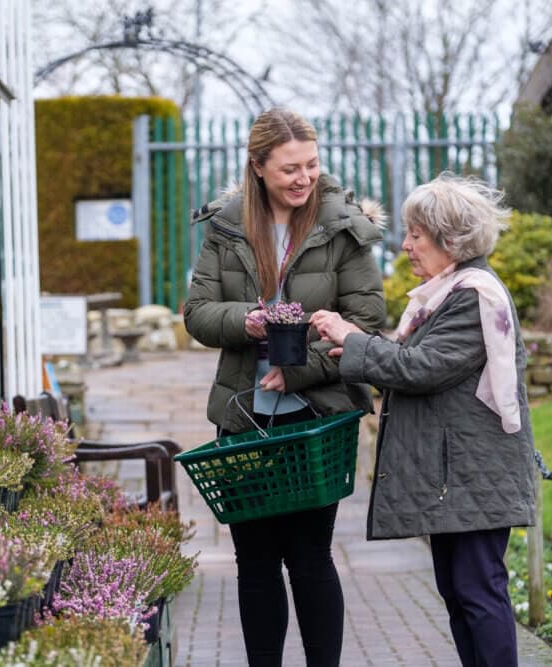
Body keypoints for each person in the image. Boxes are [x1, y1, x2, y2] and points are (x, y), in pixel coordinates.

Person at [183, 107, 386, 667]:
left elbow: (366, 323)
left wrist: (299, 368)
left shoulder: (342, 228)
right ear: (257, 168)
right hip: (243, 418)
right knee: (254, 560)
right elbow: (197, 313)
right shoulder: (226, 227)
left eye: (312, 166)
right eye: (289, 169)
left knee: (310, 558)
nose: (303, 179)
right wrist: (244, 321)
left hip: (315, 418)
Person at [311, 173, 537, 667]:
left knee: (478, 593)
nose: (407, 245)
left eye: (417, 234)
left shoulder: (474, 295)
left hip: (474, 477)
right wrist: (346, 348)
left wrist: (353, 338)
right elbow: (407, 360)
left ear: (450, 239)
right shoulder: (446, 294)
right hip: (457, 477)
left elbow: (420, 368)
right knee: (460, 595)